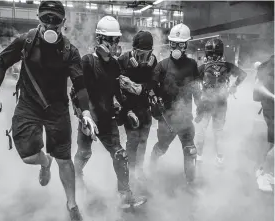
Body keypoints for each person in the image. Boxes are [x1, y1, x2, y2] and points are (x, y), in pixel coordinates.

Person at [0, 1, 98, 220]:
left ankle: (72, 206)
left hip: (57, 109)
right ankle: (45, 163)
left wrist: (86, 114)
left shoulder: (70, 51)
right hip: (28, 105)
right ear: (38, 18)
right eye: (46, 19)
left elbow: (80, 86)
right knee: (28, 156)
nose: (50, 24)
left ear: (63, 23)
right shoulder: (25, 41)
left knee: (64, 159)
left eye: (55, 20)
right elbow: (2, 64)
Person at [73, 16, 147, 209]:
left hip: (107, 119)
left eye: (116, 40)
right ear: (99, 39)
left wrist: (128, 109)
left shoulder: (114, 65)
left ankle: (125, 196)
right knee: (84, 153)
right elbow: (77, 92)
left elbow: (117, 93)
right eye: (111, 40)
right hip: (89, 119)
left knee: (120, 155)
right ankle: (75, 177)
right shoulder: (87, 62)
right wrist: (83, 116)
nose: (115, 44)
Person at [150, 23, 199, 184]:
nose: (177, 47)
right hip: (167, 120)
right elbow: (151, 89)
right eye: (173, 43)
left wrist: (201, 105)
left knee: (190, 151)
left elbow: (195, 87)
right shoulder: (162, 65)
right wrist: (154, 104)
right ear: (170, 44)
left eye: (180, 43)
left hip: (185, 119)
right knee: (161, 148)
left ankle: (190, 182)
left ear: (186, 45)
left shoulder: (192, 65)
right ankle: (152, 168)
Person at [194, 38, 247, 167]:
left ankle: (199, 157)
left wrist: (198, 100)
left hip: (206, 103)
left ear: (207, 52)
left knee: (201, 130)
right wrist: (234, 86)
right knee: (218, 131)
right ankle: (219, 158)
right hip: (221, 103)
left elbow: (192, 84)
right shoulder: (228, 66)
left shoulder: (202, 67)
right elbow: (243, 74)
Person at [117, 30, 158, 186]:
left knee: (144, 140)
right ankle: (130, 172)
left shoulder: (152, 62)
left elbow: (154, 82)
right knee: (133, 140)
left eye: (146, 55)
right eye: (139, 54)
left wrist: (143, 88)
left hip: (145, 107)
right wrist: (126, 109)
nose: (143, 59)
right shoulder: (122, 60)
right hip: (130, 108)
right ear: (133, 50)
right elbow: (117, 88)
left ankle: (139, 170)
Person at [253, 55, 274, 192]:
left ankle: (263, 171)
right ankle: (264, 175)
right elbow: (258, 86)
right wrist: (273, 96)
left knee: (272, 142)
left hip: (270, 108)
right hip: (271, 109)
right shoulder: (269, 66)